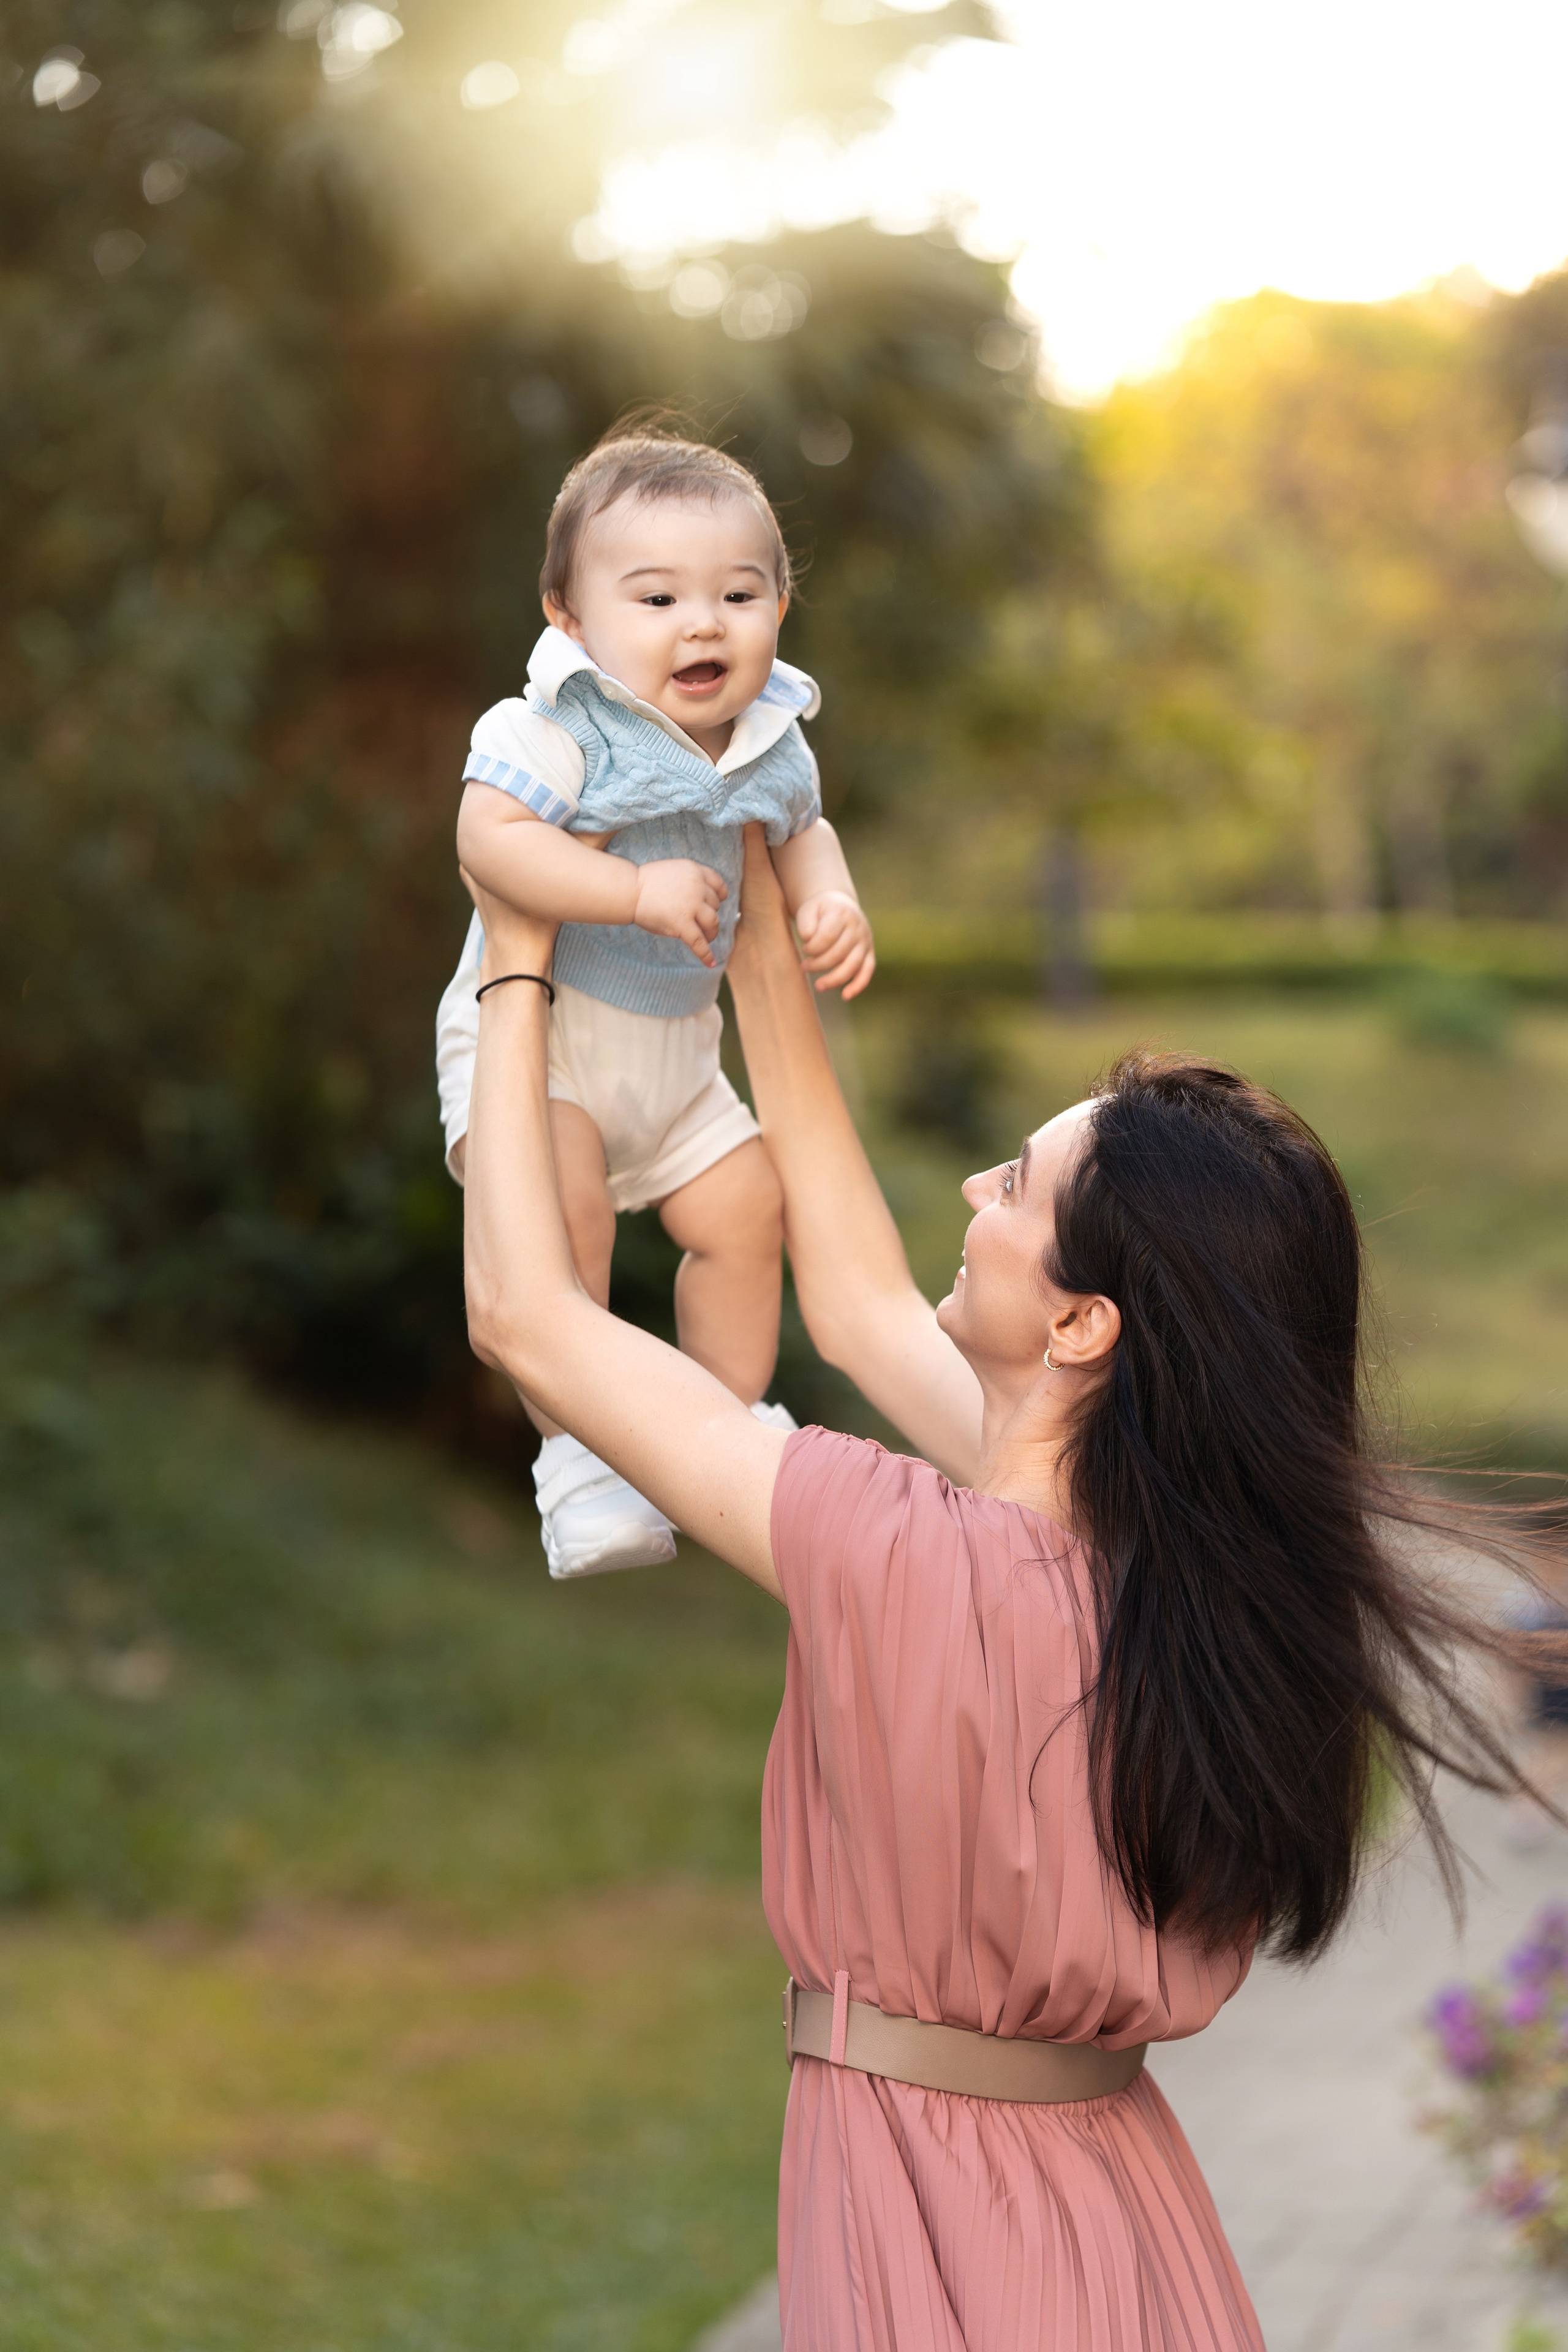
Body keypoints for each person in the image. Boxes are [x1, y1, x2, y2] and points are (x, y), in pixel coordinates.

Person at [459, 831, 1539, 2352]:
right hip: (1116, 2219)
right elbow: (849, 1298)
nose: (971, 1185)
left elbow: (522, 1312)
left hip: (935, 2224)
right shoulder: (1177, 1581)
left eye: (1013, 1187)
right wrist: (762, 947)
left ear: (1084, 1323)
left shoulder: (893, 1546)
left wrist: (510, 953)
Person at [437, 424, 874, 1580]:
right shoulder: (559, 724)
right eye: (658, 597)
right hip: (545, 1042)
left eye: (740, 592)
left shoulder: (774, 738)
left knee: (747, 1211)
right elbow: (490, 838)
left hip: (680, 1056)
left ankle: (719, 1426)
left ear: (780, 606)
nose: (704, 623)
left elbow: (806, 835)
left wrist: (830, 903)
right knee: (560, 1218)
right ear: (569, 617)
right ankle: (581, 1454)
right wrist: (626, 889)